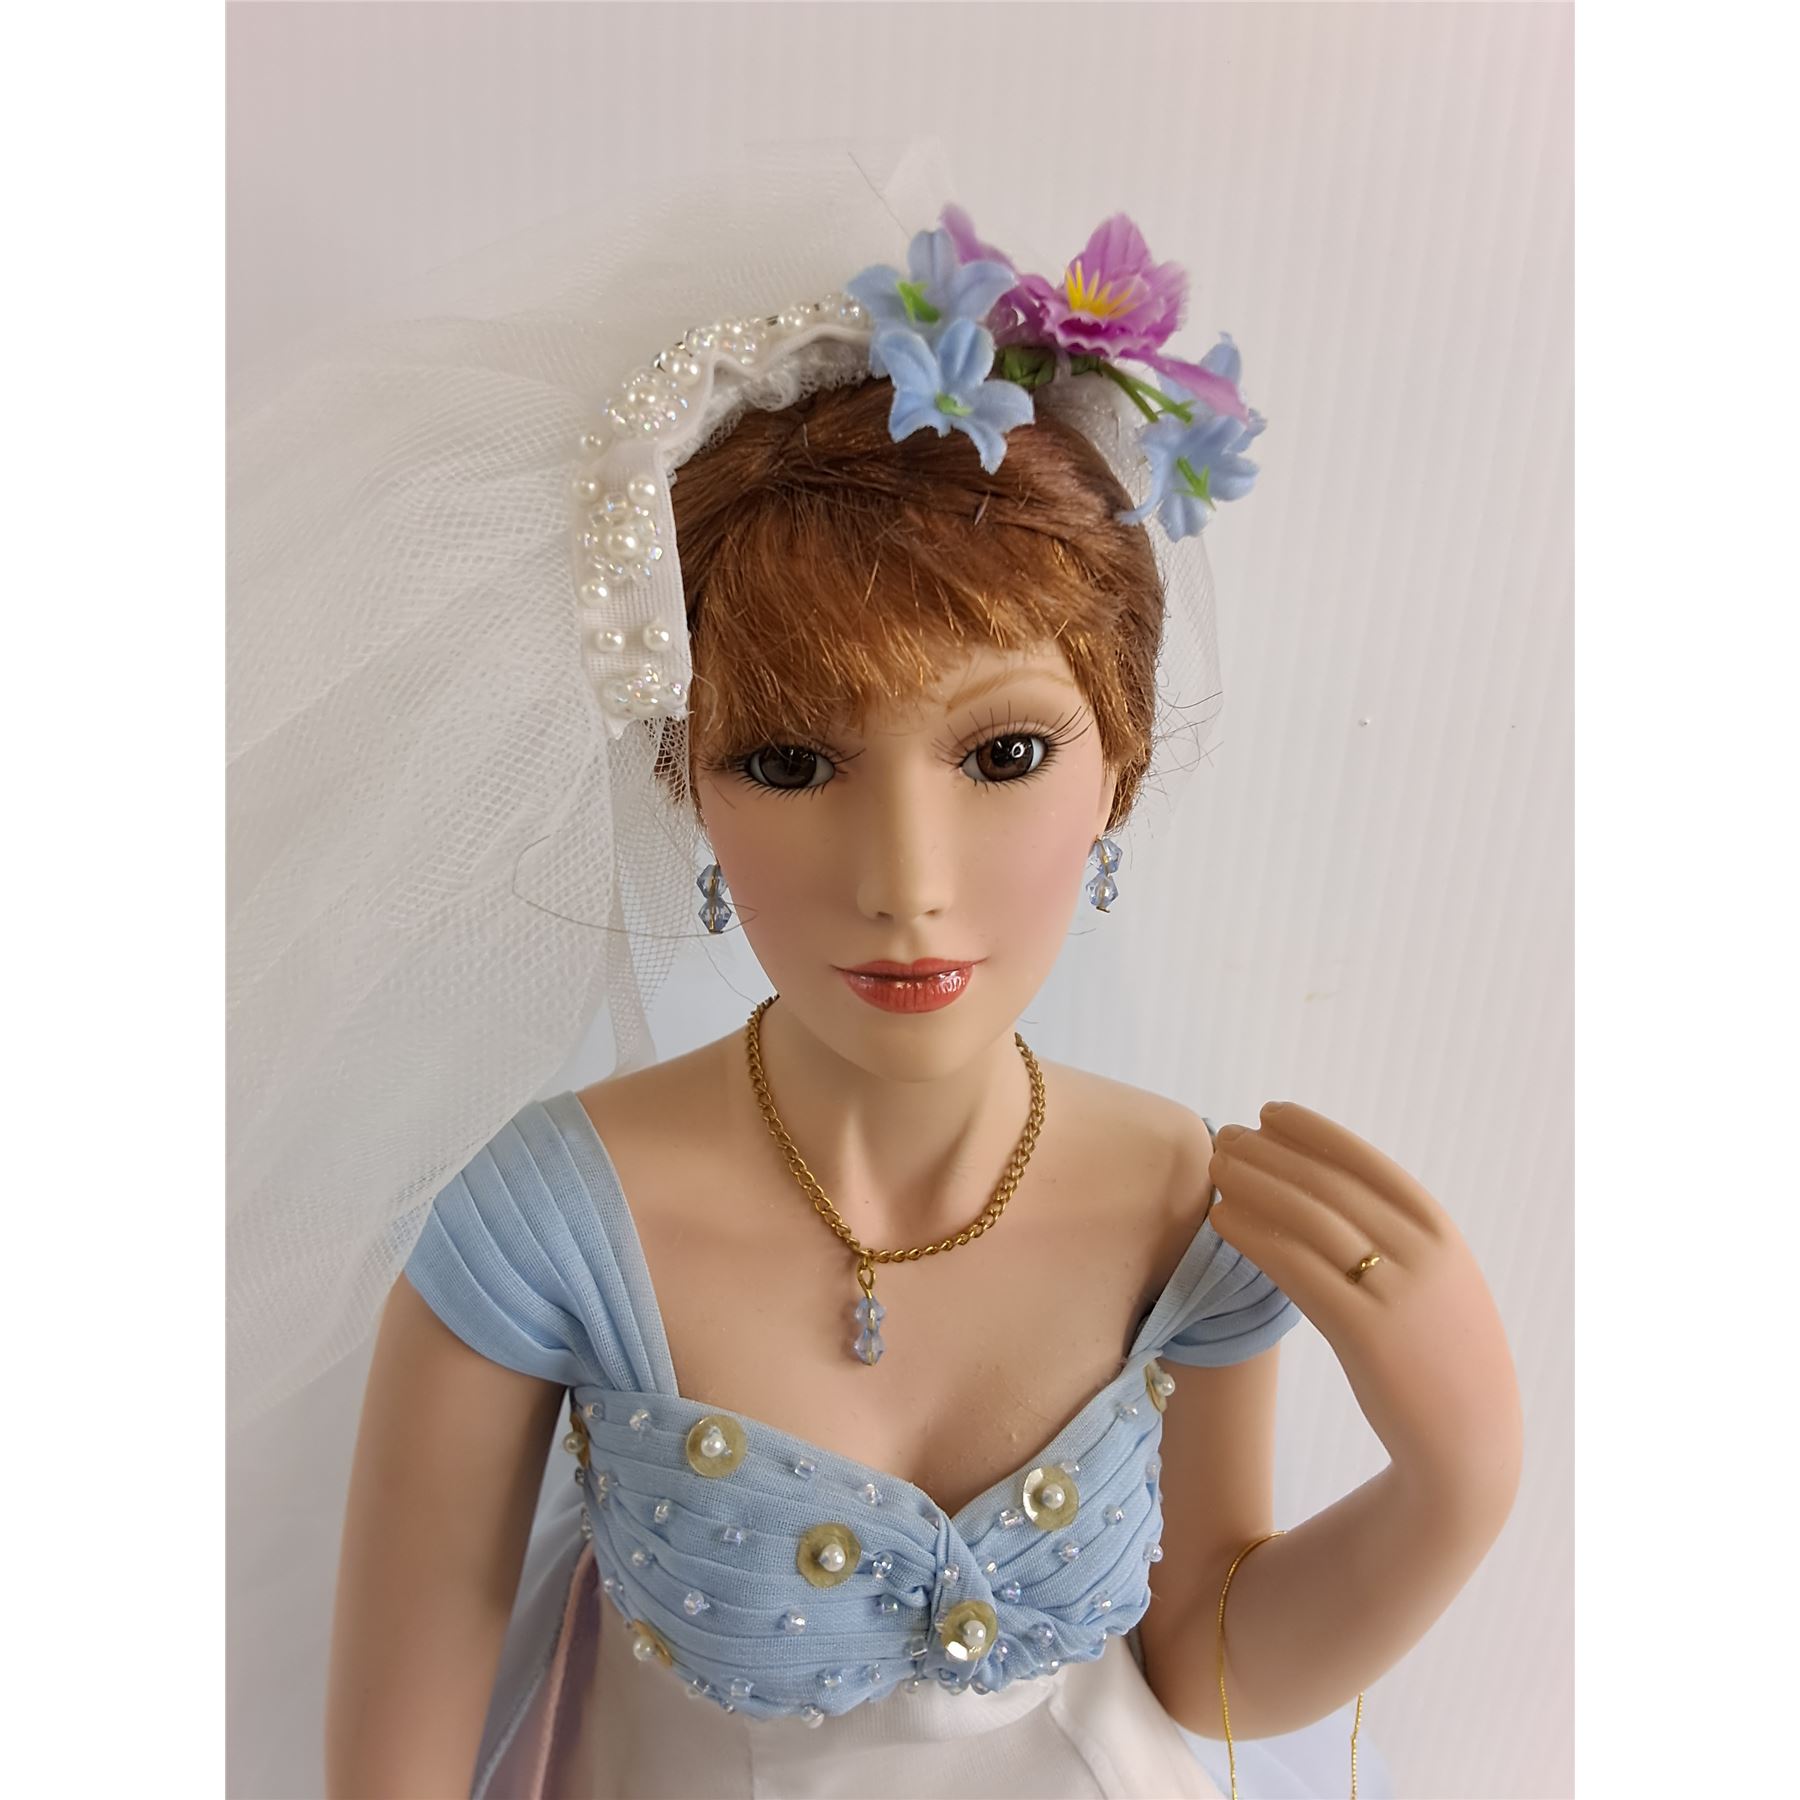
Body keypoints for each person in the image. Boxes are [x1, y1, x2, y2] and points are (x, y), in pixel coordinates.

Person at [230, 142, 1519, 1800]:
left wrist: (1457, 1476)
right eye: (787, 762)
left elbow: (1205, 1666)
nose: (905, 884)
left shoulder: (1185, 1206)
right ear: (684, 782)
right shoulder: (550, 1226)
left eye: (1003, 755)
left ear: (1118, 765)